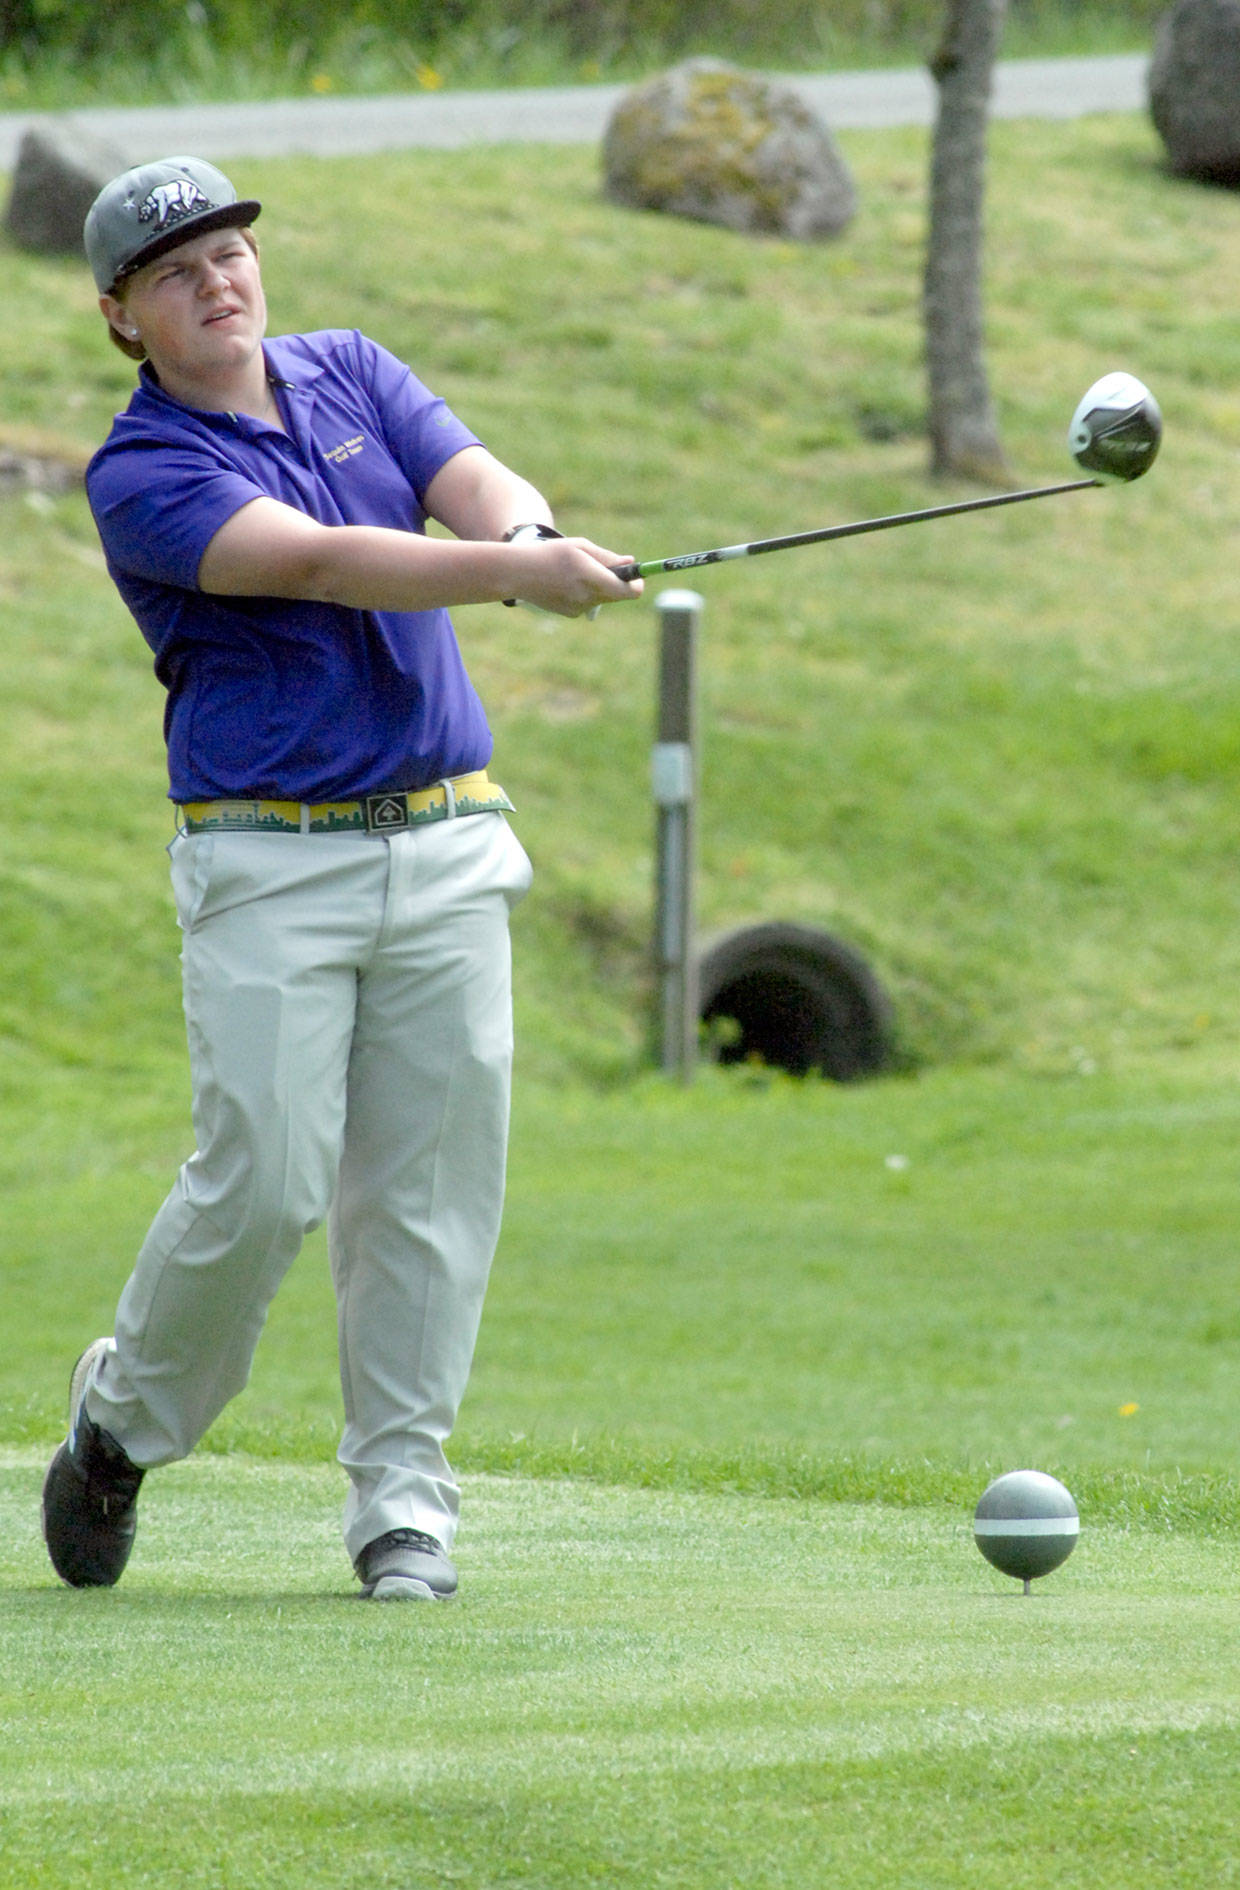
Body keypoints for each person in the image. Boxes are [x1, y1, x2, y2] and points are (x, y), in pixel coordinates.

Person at [40, 155, 642, 1600]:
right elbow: (315, 561)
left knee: (429, 1188)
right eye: (175, 273)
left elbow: (470, 475)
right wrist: (513, 578)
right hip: (269, 860)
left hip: (446, 839)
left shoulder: (353, 369)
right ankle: (122, 1422)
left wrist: (523, 533)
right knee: (263, 1179)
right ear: (122, 315)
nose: (217, 282)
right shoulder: (140, 472)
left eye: (230, 253)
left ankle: (402, 1507)